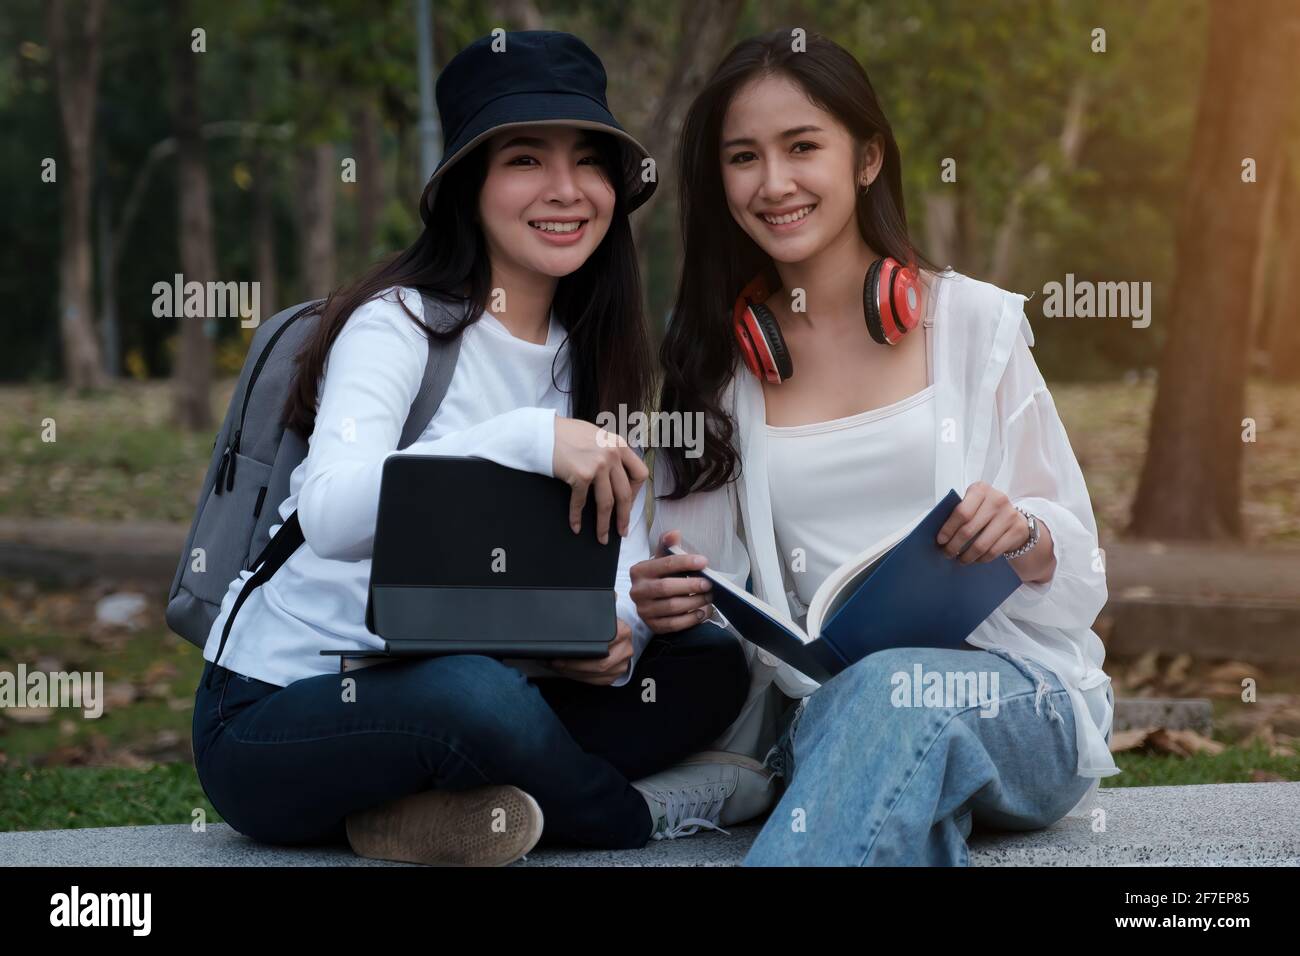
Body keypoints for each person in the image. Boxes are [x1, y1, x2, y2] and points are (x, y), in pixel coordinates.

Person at [191, 30, 750, 868]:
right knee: (471, 695)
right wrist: (526, 438)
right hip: (285, 710)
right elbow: (333, 512)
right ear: (469, 188)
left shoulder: (592, 353)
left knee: (707, 662)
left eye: (588, 162)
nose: (566, 191)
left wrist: (619, 630)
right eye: (525, 159)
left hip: (496, 688)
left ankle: (430, 813)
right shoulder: (400, 325)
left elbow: (609, 560)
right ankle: (628, 817)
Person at [629, 28, 1119, 865]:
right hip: (831, 717)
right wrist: (669, 599)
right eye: (744, 157)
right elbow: (702, 582)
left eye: (802, 147)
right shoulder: (715, 374)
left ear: (865, 160)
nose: (773, 182)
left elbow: (1081, 578)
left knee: (896, 691)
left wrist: (1027, 537)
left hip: (1017, 706)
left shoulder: (974, 324)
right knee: (874, 711)